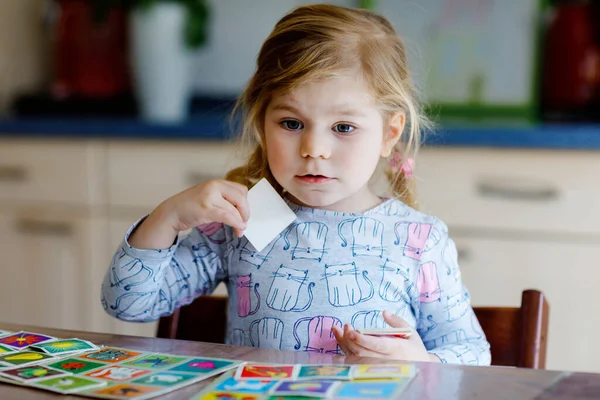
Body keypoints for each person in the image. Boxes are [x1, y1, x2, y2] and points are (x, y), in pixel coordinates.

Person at [101, 4, 491, 365]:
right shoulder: (253, 217)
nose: (314, 149)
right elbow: (128, 304)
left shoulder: (418, 239)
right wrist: (168, 217)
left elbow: (473, 353)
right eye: (291, 123)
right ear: (262, 124)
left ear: (389, 134)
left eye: (343, 127)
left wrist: (422, 363)